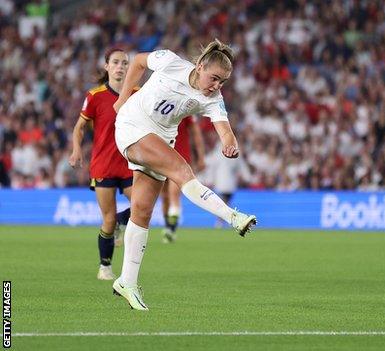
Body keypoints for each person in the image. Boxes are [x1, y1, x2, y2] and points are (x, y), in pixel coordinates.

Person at [111, 39, 257, 310]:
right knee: (181, 170)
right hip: (132, 125)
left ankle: (126, 282)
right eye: (214, 78)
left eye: (222, 82)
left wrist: (229, 142)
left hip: (162, 138)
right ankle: (232, 216)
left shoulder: (213, 98)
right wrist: (121, 99)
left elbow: (224, 128)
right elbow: (140, 60)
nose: (216, 86)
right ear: (200, 67)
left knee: (141, 212)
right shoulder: (170, 62)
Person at [69, 48, 133, 281]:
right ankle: (104, 267)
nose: (120, 66)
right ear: (107, 66)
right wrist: (77, 149)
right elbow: (79, 127)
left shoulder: (136, 94)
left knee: (143, 205)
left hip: (129, 163)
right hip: (104, 165)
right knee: (107, 219)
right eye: (115, 62)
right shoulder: (95, 96)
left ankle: (120, 222)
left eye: (124, 63)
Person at [161, 116, 206, 243]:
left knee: (173, 196)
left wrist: (201, 156)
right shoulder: (156, 104)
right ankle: (168, 227)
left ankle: (170, 229)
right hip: (160, 157)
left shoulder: (184, 109)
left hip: (179, 158)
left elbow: (196, 133)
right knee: (165, 197)